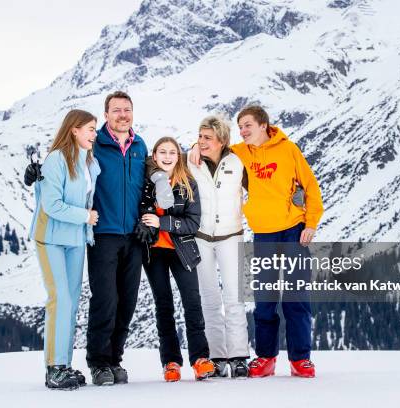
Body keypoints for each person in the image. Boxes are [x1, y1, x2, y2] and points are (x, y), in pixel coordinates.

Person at [189, 105, 323, 378]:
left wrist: (310, 224)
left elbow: (310, 186)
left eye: (248, 125)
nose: (244, 130)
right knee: (265, 298)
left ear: (264, 125)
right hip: (263, 233)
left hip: (293, 231)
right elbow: (215, 143)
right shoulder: (240, 152)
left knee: (296, 296)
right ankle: (265, 357)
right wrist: (194, 145)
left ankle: (300, 359)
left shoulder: (289, 150)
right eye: (240, 127)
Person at [28, 109, 100, 390]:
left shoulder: (89, 162)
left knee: (71, 302)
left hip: (76, 240)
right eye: (90, 129)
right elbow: (52, 205)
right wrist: (85, 216)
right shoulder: (56, 160)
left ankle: (65, 364)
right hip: (51, 238)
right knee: (59, 299)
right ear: (74, 130)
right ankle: (54, 367)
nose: (94, 134)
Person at [137, 137, 215, 382]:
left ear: (178, 156)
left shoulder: (187, 183)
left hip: (182, 250)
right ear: (155, 155)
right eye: (163, 152)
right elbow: (138, 209)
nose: (168, 156)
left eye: (172, 152)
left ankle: (200, 359)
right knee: (164, 306)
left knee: (192, 302)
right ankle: (171, 362)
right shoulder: (146, 182)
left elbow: (193, 222)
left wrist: (163, 223)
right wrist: (144, 219)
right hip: (154, 252)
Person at [85, 91, 148, 386]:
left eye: (127, 110)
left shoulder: (140, 145)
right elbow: (67, 163)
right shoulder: (94, 144)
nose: (123, 115)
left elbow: (154, 180)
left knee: (128, 302)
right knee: (106, 300)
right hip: (104, 234)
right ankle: (98, 363)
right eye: (116, 110)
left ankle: (114, 359)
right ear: (106, 114)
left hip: (134, 236)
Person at [187, 116, 250, 378]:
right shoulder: (190, 162)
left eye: (207, 138)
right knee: (209, 298)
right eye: (200, 136)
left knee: (234, 297)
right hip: (201, 236)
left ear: (222, 140)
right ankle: (217, 357)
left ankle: (238, 357)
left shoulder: (238, 162)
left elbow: (262, 188)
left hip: (231, 235)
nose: (202, 142)